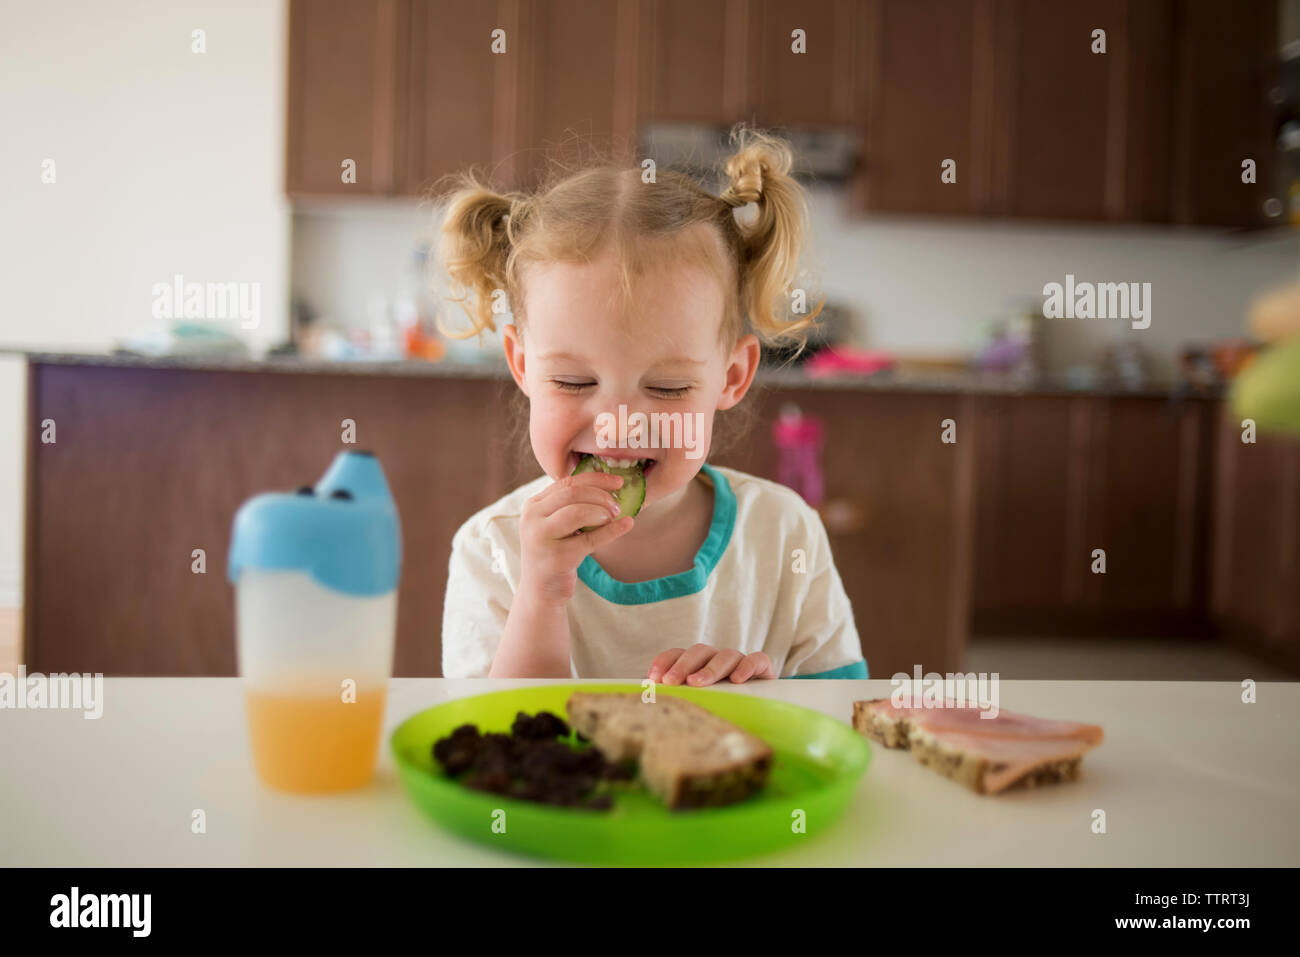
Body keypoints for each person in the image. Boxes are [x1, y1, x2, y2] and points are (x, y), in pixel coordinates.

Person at [435, 126, 867, 683]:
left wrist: (766, 704)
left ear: (732, 377)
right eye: (572, 381)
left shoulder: (785, 534)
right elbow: (489, 746)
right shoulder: (490, 547)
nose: (617, 429)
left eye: (665, 389)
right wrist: (541, 593)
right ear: (521, 367)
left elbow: (837, 729)